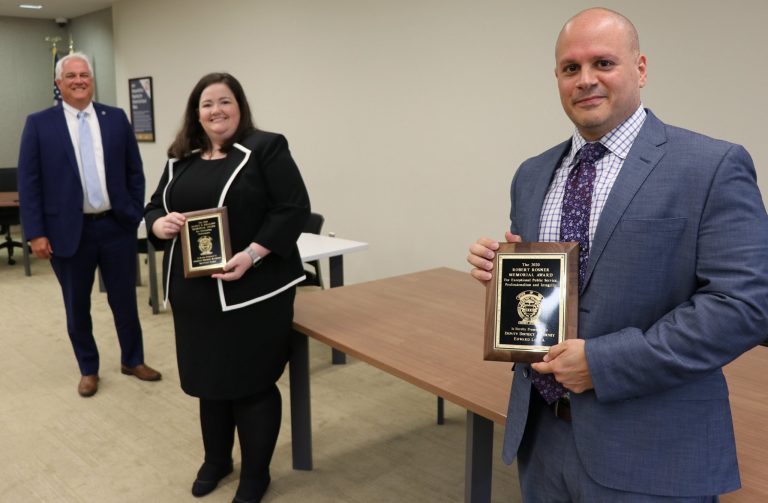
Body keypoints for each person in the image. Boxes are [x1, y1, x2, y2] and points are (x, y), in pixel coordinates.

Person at [467, 8, 768, 502]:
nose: (586, 80)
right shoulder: (532, 174)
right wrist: (505, 276)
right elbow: (558, 293)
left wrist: (604, 363)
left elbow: (743, 308)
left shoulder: (710, 166)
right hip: (541, 438)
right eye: (570, 68)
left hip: (652, 449)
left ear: (641, 68)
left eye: (603, 63)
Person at [144, 72, 310, 503]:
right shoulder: (179, 159)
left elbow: (292, 210)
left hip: (251, 290)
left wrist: (252, 254)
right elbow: (154, 208)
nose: (216, 110)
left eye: (225, 101)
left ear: (240, 106)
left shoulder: (265, 148)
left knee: (251, 383)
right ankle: (217, 460)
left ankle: (256, 474)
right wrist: (158, 225)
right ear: (195, 113)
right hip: (195, 295)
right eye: (207, 104)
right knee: (208, 381)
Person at [18, 52, 161, 398]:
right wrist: (36, 232)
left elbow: (134, 171)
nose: (79, 80)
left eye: (84, 75)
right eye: (71, 76)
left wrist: (133, 213)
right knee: (76, 305)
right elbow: (29, 182)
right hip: (68, 232)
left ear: (91, 80)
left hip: (115, 227)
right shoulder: (39, 124)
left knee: (125, 299)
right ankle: (88, 368)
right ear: (59, 83)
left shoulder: (115, 118)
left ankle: (133, 359)